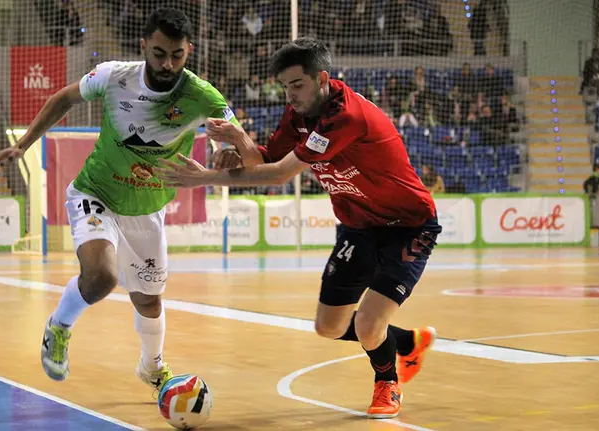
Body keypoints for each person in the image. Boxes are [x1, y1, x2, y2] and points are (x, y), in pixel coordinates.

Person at [156, 37, 439, 419]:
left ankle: (387, 381)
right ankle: (405, 341)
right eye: (285, 87)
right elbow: (264, 160)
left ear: (321, 78)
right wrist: (238, 141)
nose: (290, 95)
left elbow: (280, 174)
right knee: (329, 327)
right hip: (358, 226)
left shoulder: (346, 116)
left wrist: (206, 177)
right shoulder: (299, 115)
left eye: (297, 85)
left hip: (408, 225)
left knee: (370, 324)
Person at [0, 8, 237, 392]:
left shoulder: (202, 95)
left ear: (189, 50)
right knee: (103, 276)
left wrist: (233, 152)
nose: (167, 64)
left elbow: (238, 139)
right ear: (144, 46)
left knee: (149, 302)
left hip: (148, 208)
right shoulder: (114, 75)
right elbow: (63, 98)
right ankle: (59, 325)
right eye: (159, 54)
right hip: (96, 191)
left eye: (177, 55)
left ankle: (151, 368)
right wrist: (22, 145)